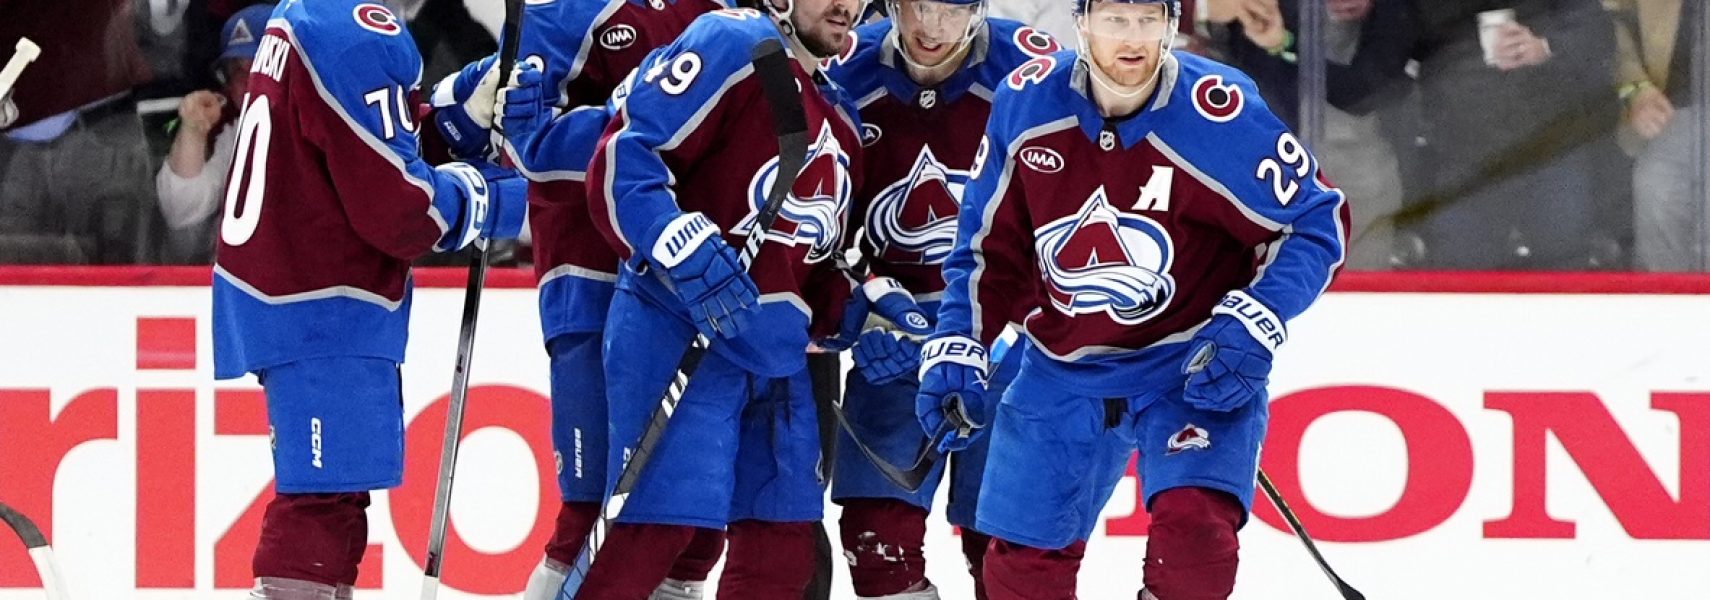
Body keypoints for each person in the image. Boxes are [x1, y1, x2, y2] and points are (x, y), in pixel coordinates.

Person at [913, 0, 1347, 598]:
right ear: (1082, 22)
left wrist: (1258, 318)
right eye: (1116, 19)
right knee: (1017, 574)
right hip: (1060, 366)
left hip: (1189, 366)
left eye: (1149, 20)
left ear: (1172, 27)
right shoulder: (1028, 101)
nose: (1133, 38)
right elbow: (987, 248)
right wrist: (959, 341)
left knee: (1196, 552)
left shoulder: (1217, 112)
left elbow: (1315, 221)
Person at [506, 0, 881, 594]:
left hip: (776, 361)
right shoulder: (732, 44)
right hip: (678, 330)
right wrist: (671, 238)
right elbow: (627, 153)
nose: (846, 5)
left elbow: (813, 267)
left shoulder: (844, 121)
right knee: (648, 534)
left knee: (782, 550)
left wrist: (862, 313)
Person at [209, 0, 526, 597]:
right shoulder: (356, 31)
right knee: (320, 499)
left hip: (293, 286)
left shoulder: (303, 13)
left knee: (339, 493)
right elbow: (398, 210)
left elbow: (360, 142)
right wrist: (486, 198)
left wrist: (454, 112)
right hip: (321, 296)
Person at [435, 0, 736, 597]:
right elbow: (522, 143)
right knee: (592, 515)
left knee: (689, 526)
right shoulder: (566, 7)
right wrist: (642, 124)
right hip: (589, 275)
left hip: (684, 290)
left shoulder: (721, 11)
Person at [819, 1, 1056, 597]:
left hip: (1010, 346)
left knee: (1008, 556)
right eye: (916, 6)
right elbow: (803, 225)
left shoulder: (1036, 71)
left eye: (950, 11)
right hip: (896, 339)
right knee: (878, 544)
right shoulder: (839, 68)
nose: (930, 28)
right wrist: (861, 308)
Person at [1213, 0, 1413, 269]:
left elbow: (1363, 89)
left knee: (1361, 288)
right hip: (1266, 172)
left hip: (1357, 176)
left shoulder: (1391, 11)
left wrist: (1283, 43)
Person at [156, 3, 275, 263]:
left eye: (257, 68)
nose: (245, 84)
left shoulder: (326, 138)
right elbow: (182, 212)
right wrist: (192, 131)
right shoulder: (234, 137)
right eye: (236, 71)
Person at [1609, 0, 1703, 271]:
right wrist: (1636, 89)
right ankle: (1666, 303)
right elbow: (1604, 27)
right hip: (1674, 113)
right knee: (1657, 184)